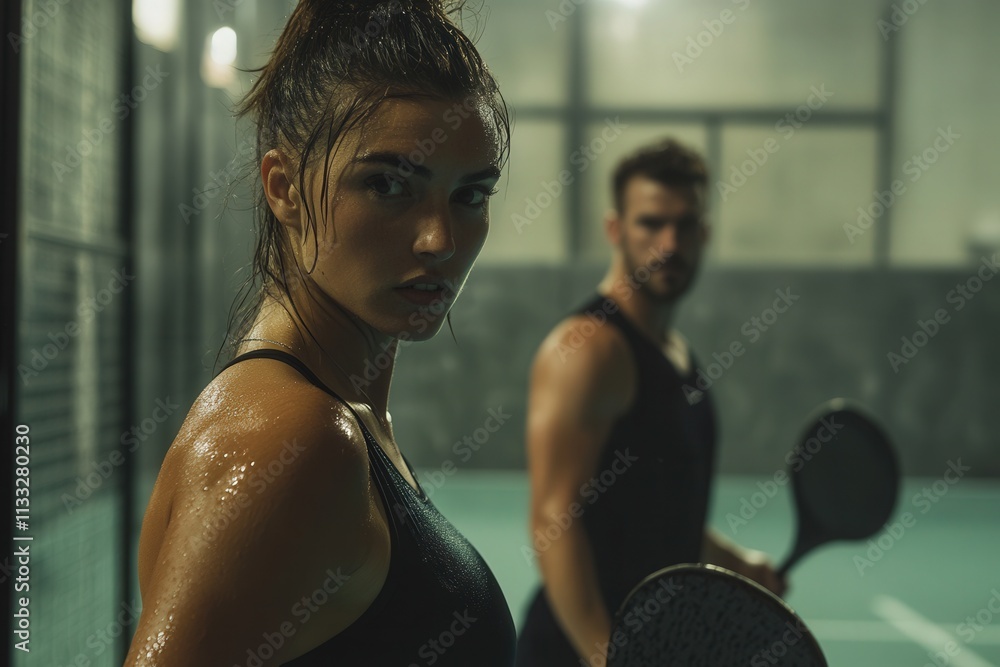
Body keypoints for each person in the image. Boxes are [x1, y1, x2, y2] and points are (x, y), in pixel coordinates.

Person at [124, 1, 516, 665]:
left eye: (470, 195)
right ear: (284, 188)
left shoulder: (345, 418)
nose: (441, 239)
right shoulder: (292, 439)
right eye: (389, 184)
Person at [514, 139, 786, 667]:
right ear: (615, 229)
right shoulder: (589, 349)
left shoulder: (677, 355)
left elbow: (656, 506)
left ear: (704, 235)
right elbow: (554, 519)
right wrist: (605, 655)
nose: (669, 242)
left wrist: (735, 564)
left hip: (656, 646)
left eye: (685, 226)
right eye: (650, 223)